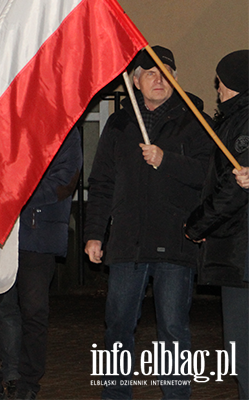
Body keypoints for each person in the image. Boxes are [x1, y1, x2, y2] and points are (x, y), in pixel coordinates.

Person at [84, 46, 212, 400]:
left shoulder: (195, 122)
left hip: (175, 241)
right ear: (135, 81)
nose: (159, 79)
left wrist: (165, 160)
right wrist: (95, 234)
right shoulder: (120, 123)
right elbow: (102, 183)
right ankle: (116, 394)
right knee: (119, 326)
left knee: (172, 329)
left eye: (166, 72)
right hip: (127, 243)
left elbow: (208, 176)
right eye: (151, 73)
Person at [0, 128, 82, 400]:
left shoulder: (65, 126)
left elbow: (64, 181)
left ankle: (28, 383)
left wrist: (15, 195)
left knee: (34, 311)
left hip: (37, 235)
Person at [185, 49, 249, 399]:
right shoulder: (232, 119)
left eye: (221, 81)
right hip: (237, 250)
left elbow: (232, 191)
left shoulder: (244, 122)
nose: (218, 88)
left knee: (241, 345)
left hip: (241, 252)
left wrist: (197, 225)